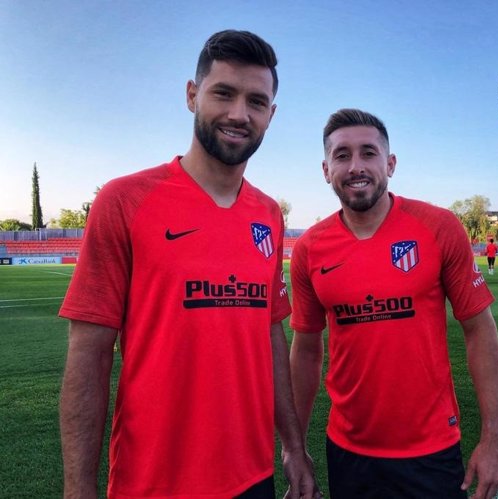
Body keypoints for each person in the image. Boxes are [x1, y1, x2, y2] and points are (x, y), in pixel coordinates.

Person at [58, 30, 317, 499]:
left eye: (256, 101)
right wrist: (78, 490)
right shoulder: (125, 200)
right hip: (154, 482)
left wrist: (293, 448)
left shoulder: (267, 213)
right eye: (224, 93)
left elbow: (271, 333)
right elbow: (88, 354)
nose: (240, 114)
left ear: (271, 115)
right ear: (192, 95)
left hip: (252, 478)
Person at [289, 109, 498, 499]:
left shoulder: (438, 227)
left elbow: (479, 330)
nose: (356, 166)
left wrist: (494, 436)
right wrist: (294, 447)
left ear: (389, 163)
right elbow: (305, 350)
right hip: (348, 452)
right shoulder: (309, 249)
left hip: (431, 450)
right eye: (342, 155)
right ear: (326, 169)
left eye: (368, 153)